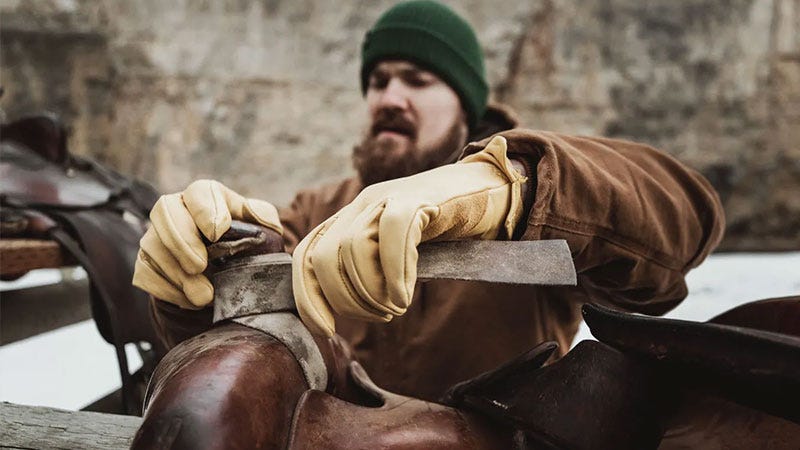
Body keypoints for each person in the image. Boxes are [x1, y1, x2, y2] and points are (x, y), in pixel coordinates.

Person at [132, 0, 724, 402]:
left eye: (418, 80)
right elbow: (223, 336)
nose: (389, 97)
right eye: (378, 79)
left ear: (464, 103)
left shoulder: (534, 201)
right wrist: (198, 261)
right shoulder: (319, 208)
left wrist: (515, 188)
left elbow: (685, 221)